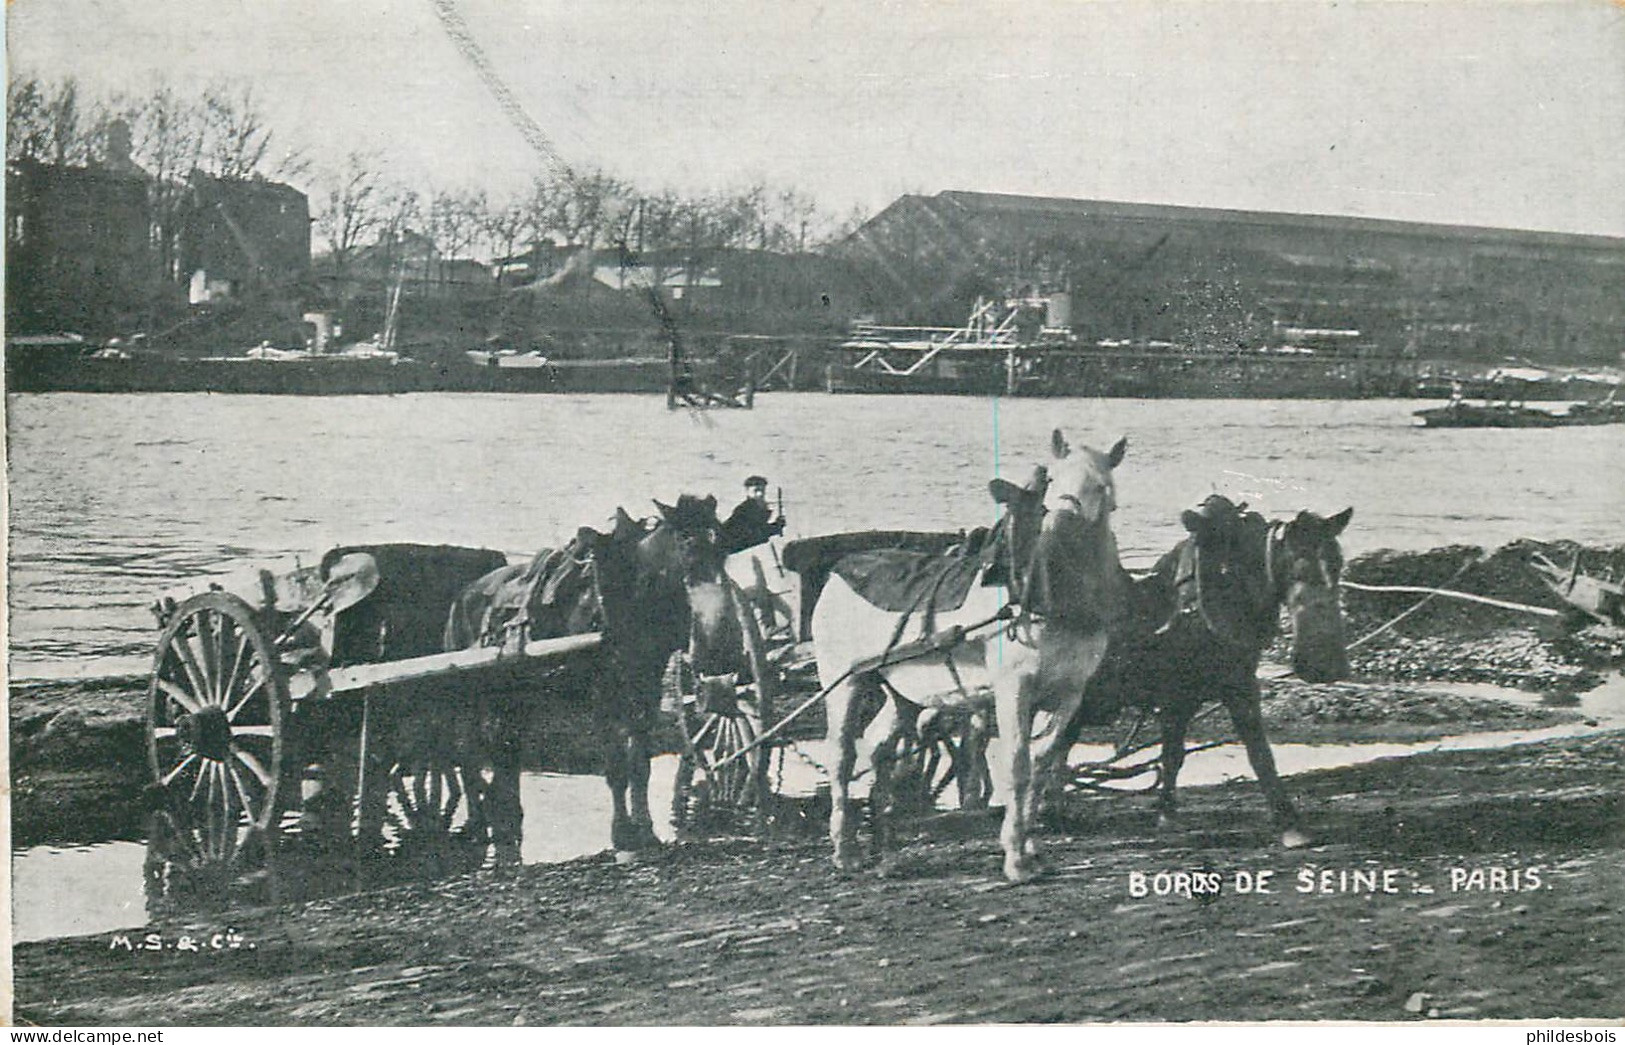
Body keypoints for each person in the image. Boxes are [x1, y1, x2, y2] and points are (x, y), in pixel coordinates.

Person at [720, 475, 785, 554]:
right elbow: (752, 534)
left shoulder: (759, 507)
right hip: (735, 550)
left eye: (762, 491)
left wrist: (776, 526)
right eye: (756, 491)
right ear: (747, 491)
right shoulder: (744, 510)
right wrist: (775, 527)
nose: (760, 494)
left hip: (748, 549)